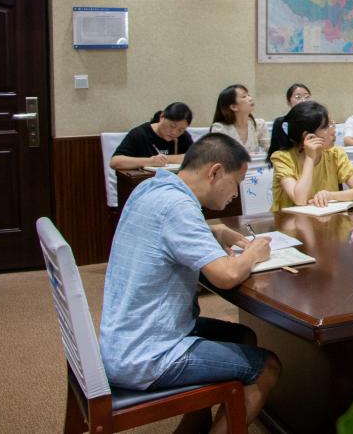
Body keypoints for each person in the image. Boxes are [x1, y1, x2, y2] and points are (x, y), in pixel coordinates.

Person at [99, 134, 280, 432]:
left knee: (243, 337)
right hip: (148, 353)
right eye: (236, 182)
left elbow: (167, 232)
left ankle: (193, 428)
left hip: (123, 338)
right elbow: (226, 276)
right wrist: (254, 253)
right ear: (215, 172)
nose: (235, 194)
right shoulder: (178, 207)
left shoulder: (151, 188)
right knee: (267, 367)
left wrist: (216, 231)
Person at [267, 101, 353, 210]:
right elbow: (300, 200)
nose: (333, 130)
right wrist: (310, 158)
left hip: (325, 217)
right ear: (308, 136)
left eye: (332, 124)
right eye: (326, 126)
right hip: (289, 219)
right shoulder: (282, 158)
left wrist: (330, 196)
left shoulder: (336, 154)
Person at [110, 102, 195, 170]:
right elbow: (115, 162)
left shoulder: (183, 136)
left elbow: (195, 158)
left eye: (180, 130)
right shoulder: (140, 134)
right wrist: (150, 161)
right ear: (162, 117)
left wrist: (166, 159)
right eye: (172, 126)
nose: (174, 132)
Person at [210, 84, 268, 154]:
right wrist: (245, 156)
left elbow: (270, 149)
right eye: (244, 96)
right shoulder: (220, 129)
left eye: (249, 95)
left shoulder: (259, 124)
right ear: (233, 107)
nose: (250, 99)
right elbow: (219, 155)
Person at [270, 83, 311, 150]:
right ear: (289, 102)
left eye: (307, 97)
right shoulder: (281, 122)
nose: (303, 100)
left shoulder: (318, 121)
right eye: (298, 97)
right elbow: (275, 148)